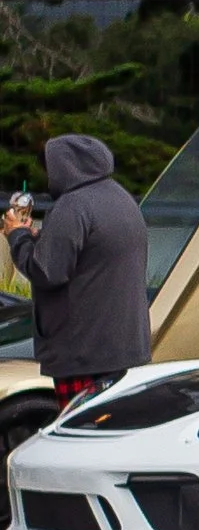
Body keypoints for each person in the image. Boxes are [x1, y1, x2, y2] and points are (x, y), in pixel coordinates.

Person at [2, 135, 150, 400]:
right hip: (122, 349)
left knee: (80, 435)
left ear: (65, 166)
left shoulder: (72, 206)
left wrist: (17, 236)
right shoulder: (121, 198)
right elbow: (90, 256)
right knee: (111, 433)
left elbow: (46, 271)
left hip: (82, 351)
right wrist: (41, 239)